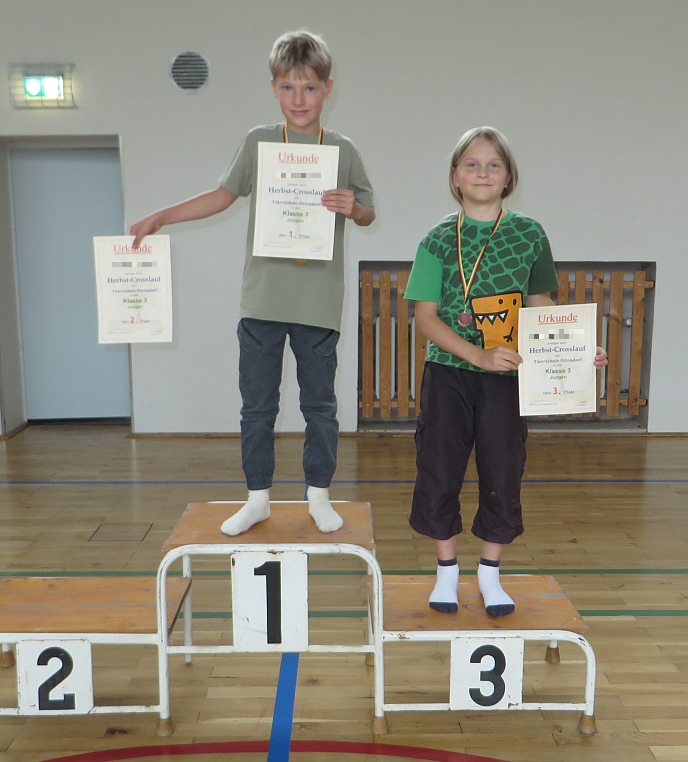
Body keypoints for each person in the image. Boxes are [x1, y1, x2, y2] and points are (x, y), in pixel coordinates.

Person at [131, 31, 375, 536]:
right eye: (288, 88)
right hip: (262, 300)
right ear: (273, 88)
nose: (298, 99)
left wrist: (355, 208)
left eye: (309, 88)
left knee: (320, 407)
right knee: (257, 407)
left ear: (327, 89)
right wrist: (162, 216)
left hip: (318, 304)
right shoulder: (259, 142)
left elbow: (368, 211)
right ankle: (257, 498)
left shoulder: (342, 149)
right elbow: (222, 196)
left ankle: (319, 495)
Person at [403, 127, 607, 615]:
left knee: (503, 471)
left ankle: (490, 573)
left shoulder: (529, 234)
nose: (482, 173)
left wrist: (577, 349)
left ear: (509, 176)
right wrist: (477, 356)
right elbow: (425, 318)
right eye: (471, 164)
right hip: (449, 375)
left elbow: (541, 304)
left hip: (510, 377)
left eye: (494, 164)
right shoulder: (436, 238)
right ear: (455, 176)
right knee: (439, 469)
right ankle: (446, 572)